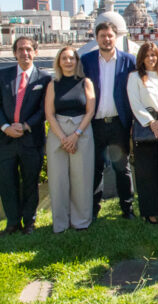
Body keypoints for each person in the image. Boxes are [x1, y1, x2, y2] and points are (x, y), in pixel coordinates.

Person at [0, 37, 51, 235]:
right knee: (7, 182)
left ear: (35, 52)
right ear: (15, 53)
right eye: (20, 49)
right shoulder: (3, 75)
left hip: (31, 139)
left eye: (28, 49)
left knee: (30, 182)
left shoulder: (44, 78)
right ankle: (13, 222)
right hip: (5, 140)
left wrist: (25, 126)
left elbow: (44, 109)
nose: (25, 53)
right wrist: (5, 127)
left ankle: (29, 221)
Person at [81, 22, 137, 220]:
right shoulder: (86, 61)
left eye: (110, 35)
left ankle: (127, 208)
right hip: (94, 123)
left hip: (118, 123)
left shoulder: (128, 61)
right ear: (97, 38)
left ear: (116, 37)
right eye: (103, 36)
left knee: (122, 168)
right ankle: (93, 209)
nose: (106, 39)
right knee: (95, 167)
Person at [44, 46, 96, 233]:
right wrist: (63, 138)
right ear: (59, 62)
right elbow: (49, 113)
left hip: (81, 131)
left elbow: (90, 111)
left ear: (77, 61)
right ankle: (60, 223)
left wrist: (76, 135)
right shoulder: (53, 84)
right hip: (58, 133)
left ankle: (81, 221)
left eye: (71, 58)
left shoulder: (86, 82)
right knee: (58, 180)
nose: (68, 62)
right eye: (64, 58)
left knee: (82, 179)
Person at [128, 42, 158, 225]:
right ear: (141, 58)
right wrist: (152, 123)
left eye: (154, 55)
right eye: (147, 55)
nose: (151, 58)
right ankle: (150, 211)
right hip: (145, 127)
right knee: (146, 172)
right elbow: (135, 103)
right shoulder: (135, 77)